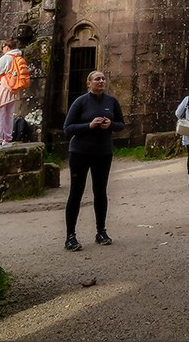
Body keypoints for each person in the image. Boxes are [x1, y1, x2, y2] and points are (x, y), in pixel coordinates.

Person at [62, 70, 126, 250]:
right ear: (88, 83)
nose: (101, 81)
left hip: (103, 153)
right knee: (76, 193)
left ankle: (101, 231)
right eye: (97, 79)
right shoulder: (80, 102)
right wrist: (88, 126)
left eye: (103, 78)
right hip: (80, 152)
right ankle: (70, 236)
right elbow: (67, 127)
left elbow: (121, 124)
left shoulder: (111, 101)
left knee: (100, 192)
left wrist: (110, 125)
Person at [0, 39, 25, 147]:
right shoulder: (18, 57)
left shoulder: (6, 57)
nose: (2, 50)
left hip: (3, 89)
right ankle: (7, 139)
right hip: (13, 90)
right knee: (9, 114)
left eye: (3, 47)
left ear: (7, 47)